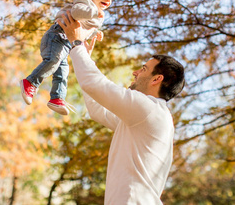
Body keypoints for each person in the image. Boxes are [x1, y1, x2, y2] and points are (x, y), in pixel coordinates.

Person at [57, 12, 185, 204]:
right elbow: (97, 108)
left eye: (143, 69)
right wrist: (85, 59)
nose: (135, 72)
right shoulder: (144, 116)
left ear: (157, 79)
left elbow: (95, 84)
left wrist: (76, 44)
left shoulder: (148, 109)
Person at [20, 0, 115, 115]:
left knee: (63, 71)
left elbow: (83, 29)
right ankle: (30, 82)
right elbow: (77, 12)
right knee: (53, 61)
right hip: (57, 35)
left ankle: (57, 98)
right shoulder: (85, 2)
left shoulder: (99, 13)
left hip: (66, 43)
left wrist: (95, 33)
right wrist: (94, 12)